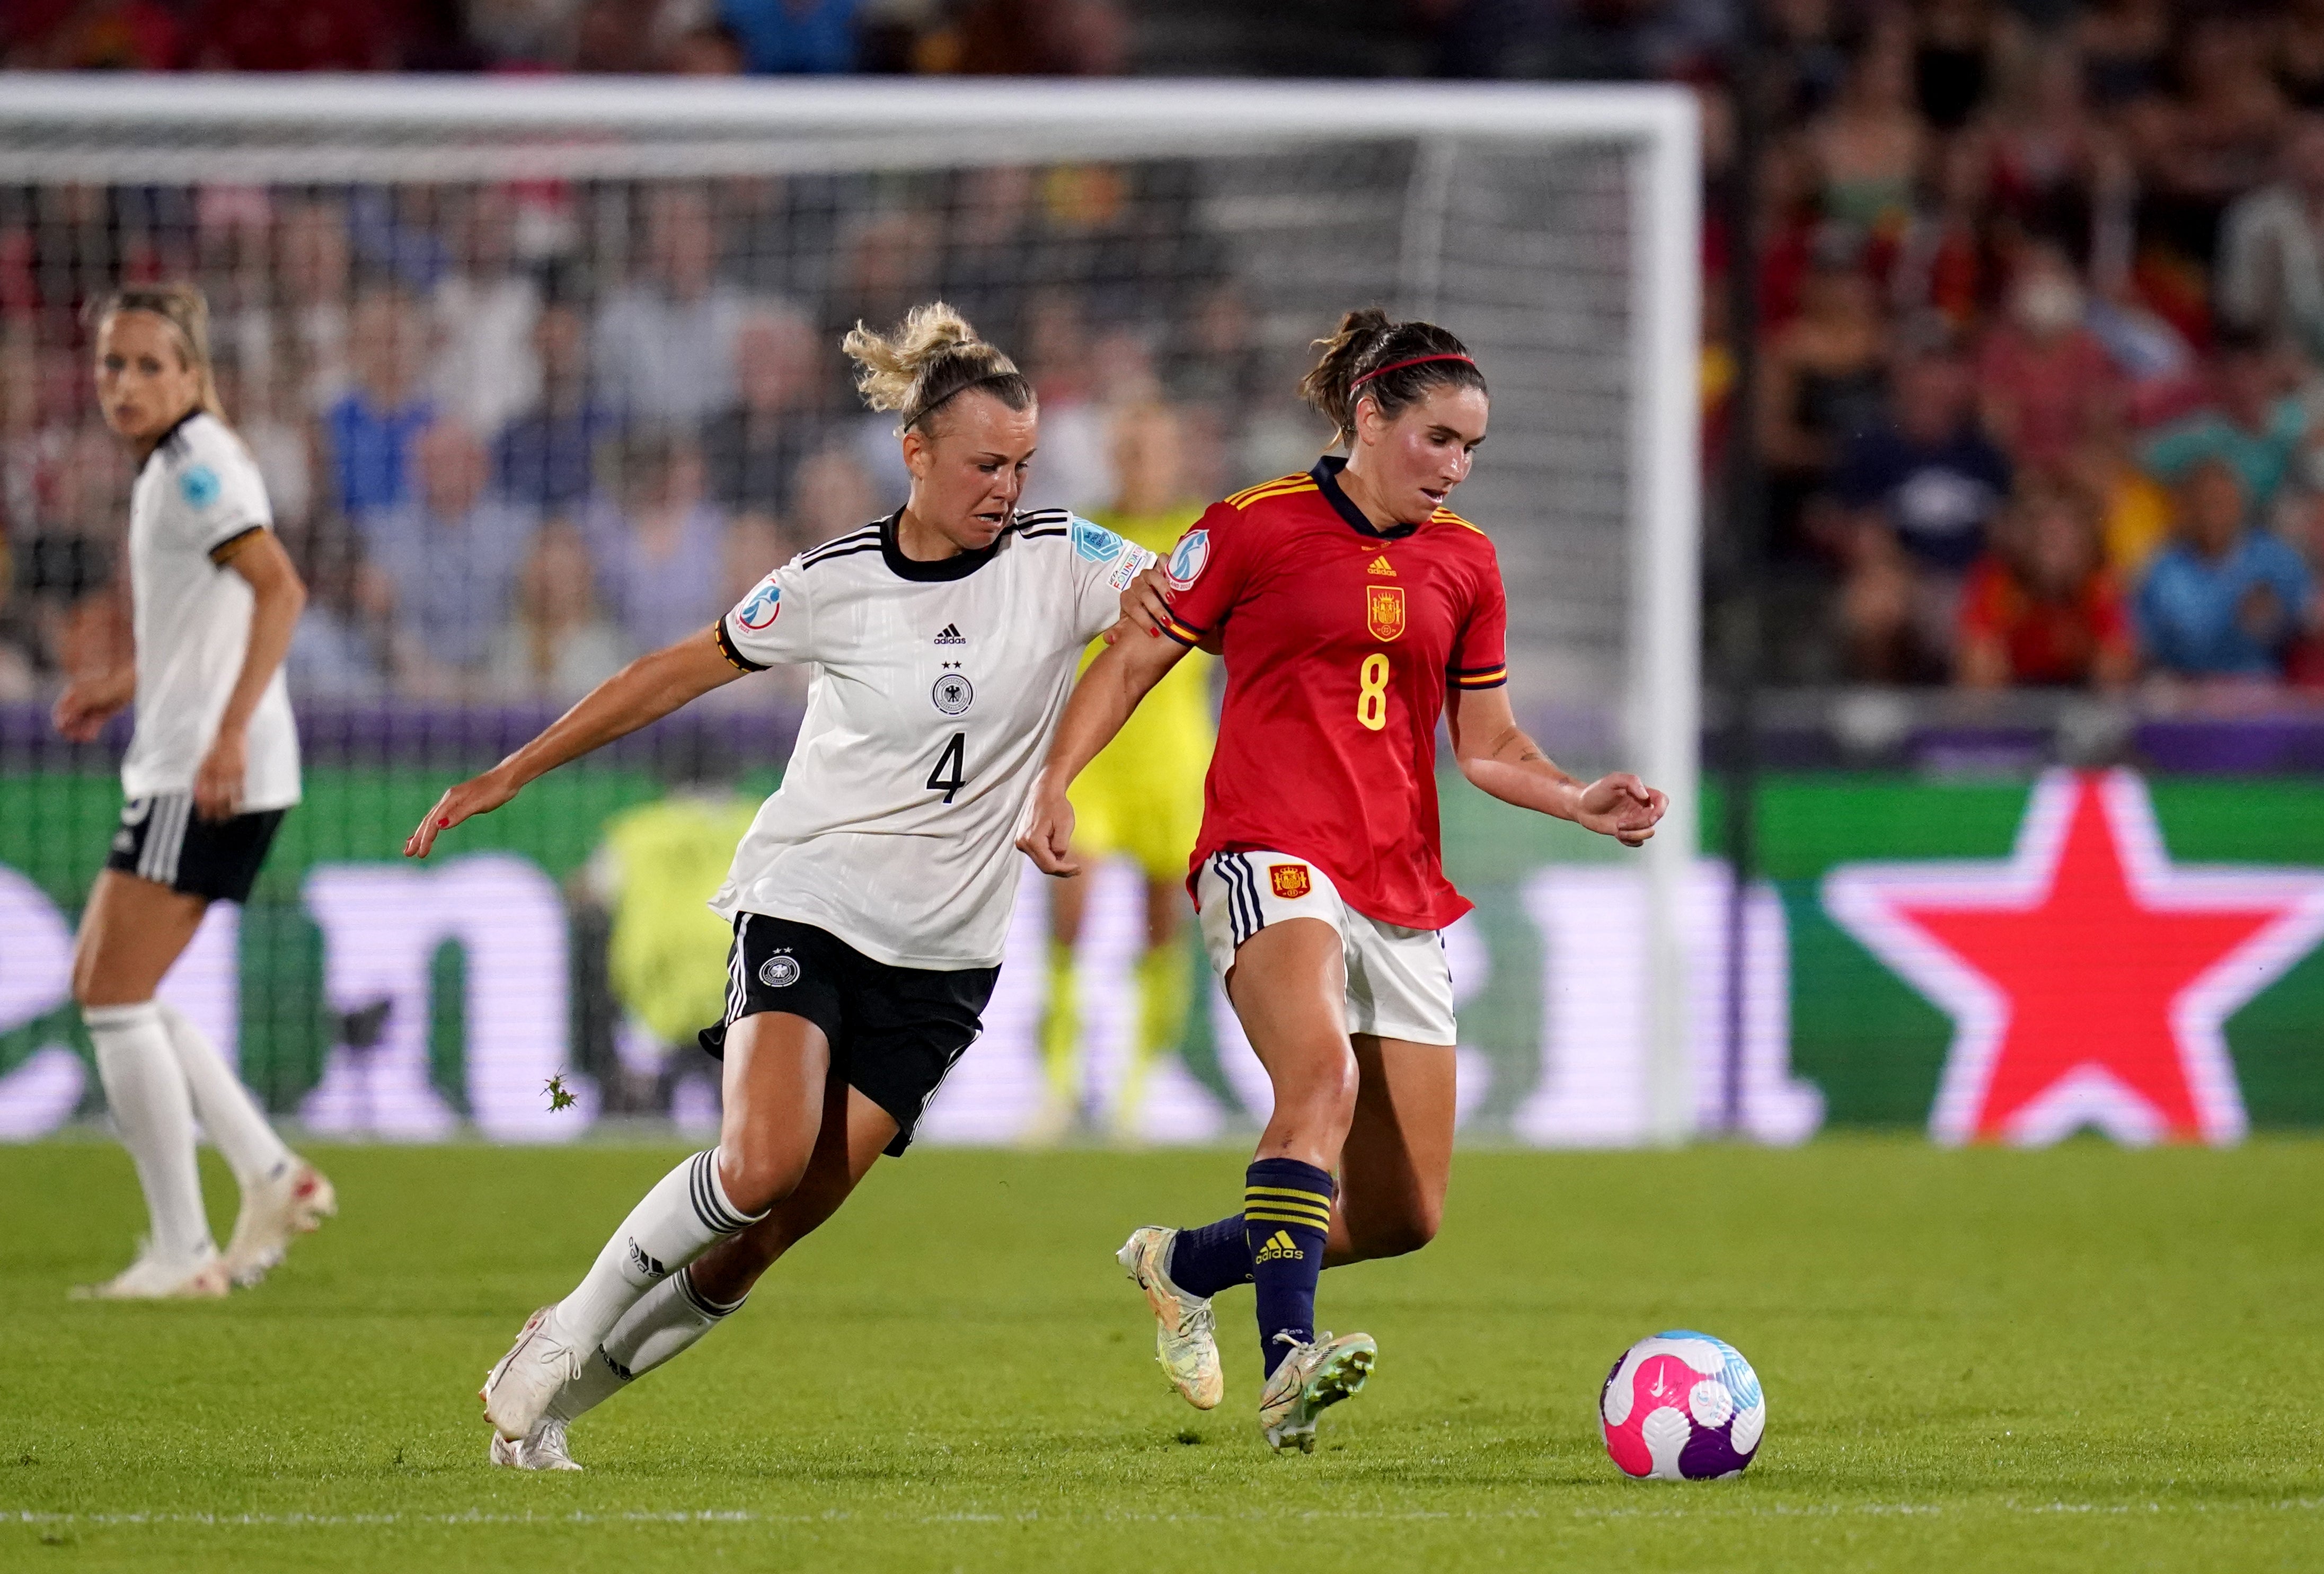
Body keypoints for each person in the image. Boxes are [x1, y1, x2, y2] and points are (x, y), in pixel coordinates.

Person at [406, 303, 1159, 1470]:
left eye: (1021, 464)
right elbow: (671, 672)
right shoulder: (833, 581)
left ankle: (551, 1414)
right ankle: (564, 1330)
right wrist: (515, 767)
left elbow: (1186, 610)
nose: (1005, 487)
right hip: (812, 897)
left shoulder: (1068, 558)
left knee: (762, 1240)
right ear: (914, 454)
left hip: (950, 953)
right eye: (981, 465)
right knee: (755, 1165)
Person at [1016, 310, 1668, 1453]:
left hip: (1397, 883)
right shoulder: (1251, 528)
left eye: (1471, 449)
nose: (1455, 468)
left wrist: (1574, 798)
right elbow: (1130, 654)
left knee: (1404, 1215)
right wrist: (1057, 779)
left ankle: (1182, 1262)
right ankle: (1287, 1372)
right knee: (1316, 1083)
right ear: (1369, 418)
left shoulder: (1464, 560)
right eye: (1438, 440)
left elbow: (1486, 744)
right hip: (1265, 849)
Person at [51, 284, 334, 1299]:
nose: (123, 385)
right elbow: (207, 622)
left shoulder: (197, 467)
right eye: (109, 366)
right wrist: (126, 685)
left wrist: (220, 737)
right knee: (118, 988)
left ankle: (182, 1252)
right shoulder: (179, 462)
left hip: (203, 770)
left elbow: (282, 590)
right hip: (191, 756)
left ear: (191, 372)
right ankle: (269, 1174)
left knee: (111, 992)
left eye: (146, 365)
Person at [1030, 401, 1214, 1144]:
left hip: (1175, 761)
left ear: (1176, 457)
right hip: (1101, 761)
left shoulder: (1204, 535)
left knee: (1160, 927)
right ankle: (1058, 1086)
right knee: (1070, 910)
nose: (1141, 463)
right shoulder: (1083, 536)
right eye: (1129, 449)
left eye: (1154, 449)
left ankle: (1137, 1092)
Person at [2135, 456, 2316, 680]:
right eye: (2205, 503)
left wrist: (2278, 618)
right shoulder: (2163, 573)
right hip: (2187, 695)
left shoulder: (2278, 560)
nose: (2214, 515)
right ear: (2187, 508)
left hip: (2265, 694)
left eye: (2223, 502)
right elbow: (2146, 646)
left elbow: (2309, 622)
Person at [1955, 480, 2137, 691]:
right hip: (2014, 698)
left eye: (2065, 539)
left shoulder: (2100, 584)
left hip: (2080, 697)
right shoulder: (1998, 582)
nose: (2054, 552)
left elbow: (2118, 665)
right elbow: (1978, 668)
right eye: (2047, 538)